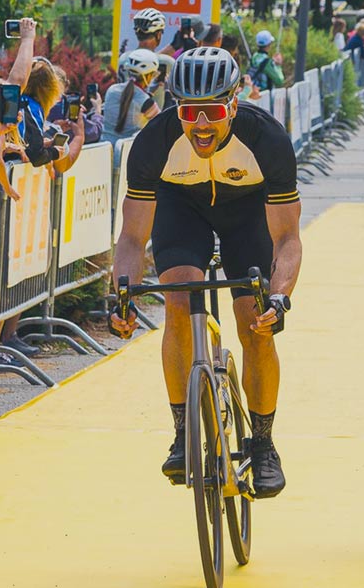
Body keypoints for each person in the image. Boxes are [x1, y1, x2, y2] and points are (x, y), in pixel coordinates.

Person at [109, 47, 302, 499]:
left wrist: (279, 296)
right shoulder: (154, 142)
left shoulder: (266, 139)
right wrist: (121, 296)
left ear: (233, 104)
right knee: (177, 301)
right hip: (182, 208)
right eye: (188, 112)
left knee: (255, 323)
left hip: (247, 214)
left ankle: (263, 443)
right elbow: (132, 237)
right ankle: (182, 433)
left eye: (211, 112)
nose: (199, 125)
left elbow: (287, 239)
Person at [104, 49, 164, 143]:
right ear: (148, 76)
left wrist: (148, 94)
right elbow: (162, 123)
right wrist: (168, 92)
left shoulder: (112, 90)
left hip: (105, 146)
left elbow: (130, 102)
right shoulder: (146, 101)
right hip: (127, 149)